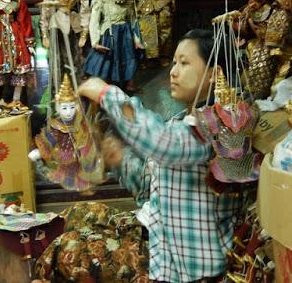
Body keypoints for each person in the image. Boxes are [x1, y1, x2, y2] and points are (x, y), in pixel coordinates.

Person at [79, 29, 242, 282]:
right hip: (159, 235)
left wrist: (105, 93)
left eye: (184, 63)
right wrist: (120, 158)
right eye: (174, 62)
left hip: (187, 265)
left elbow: (161, 143)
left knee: (69, 250)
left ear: (214, 74)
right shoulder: (182, 121)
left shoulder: (219, 127)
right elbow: (150, 186)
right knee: (79, 215)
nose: (173, 71)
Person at [83, 0, 144, 92]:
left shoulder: (129, 5)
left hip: (125, 37)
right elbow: (94, 22)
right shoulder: (102, 4)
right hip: (110, 35)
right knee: (108, 59)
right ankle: (105, 84)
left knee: (128, 57)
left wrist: (136, 39)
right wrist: (95, 42)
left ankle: (128, 83)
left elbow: (133, 22)